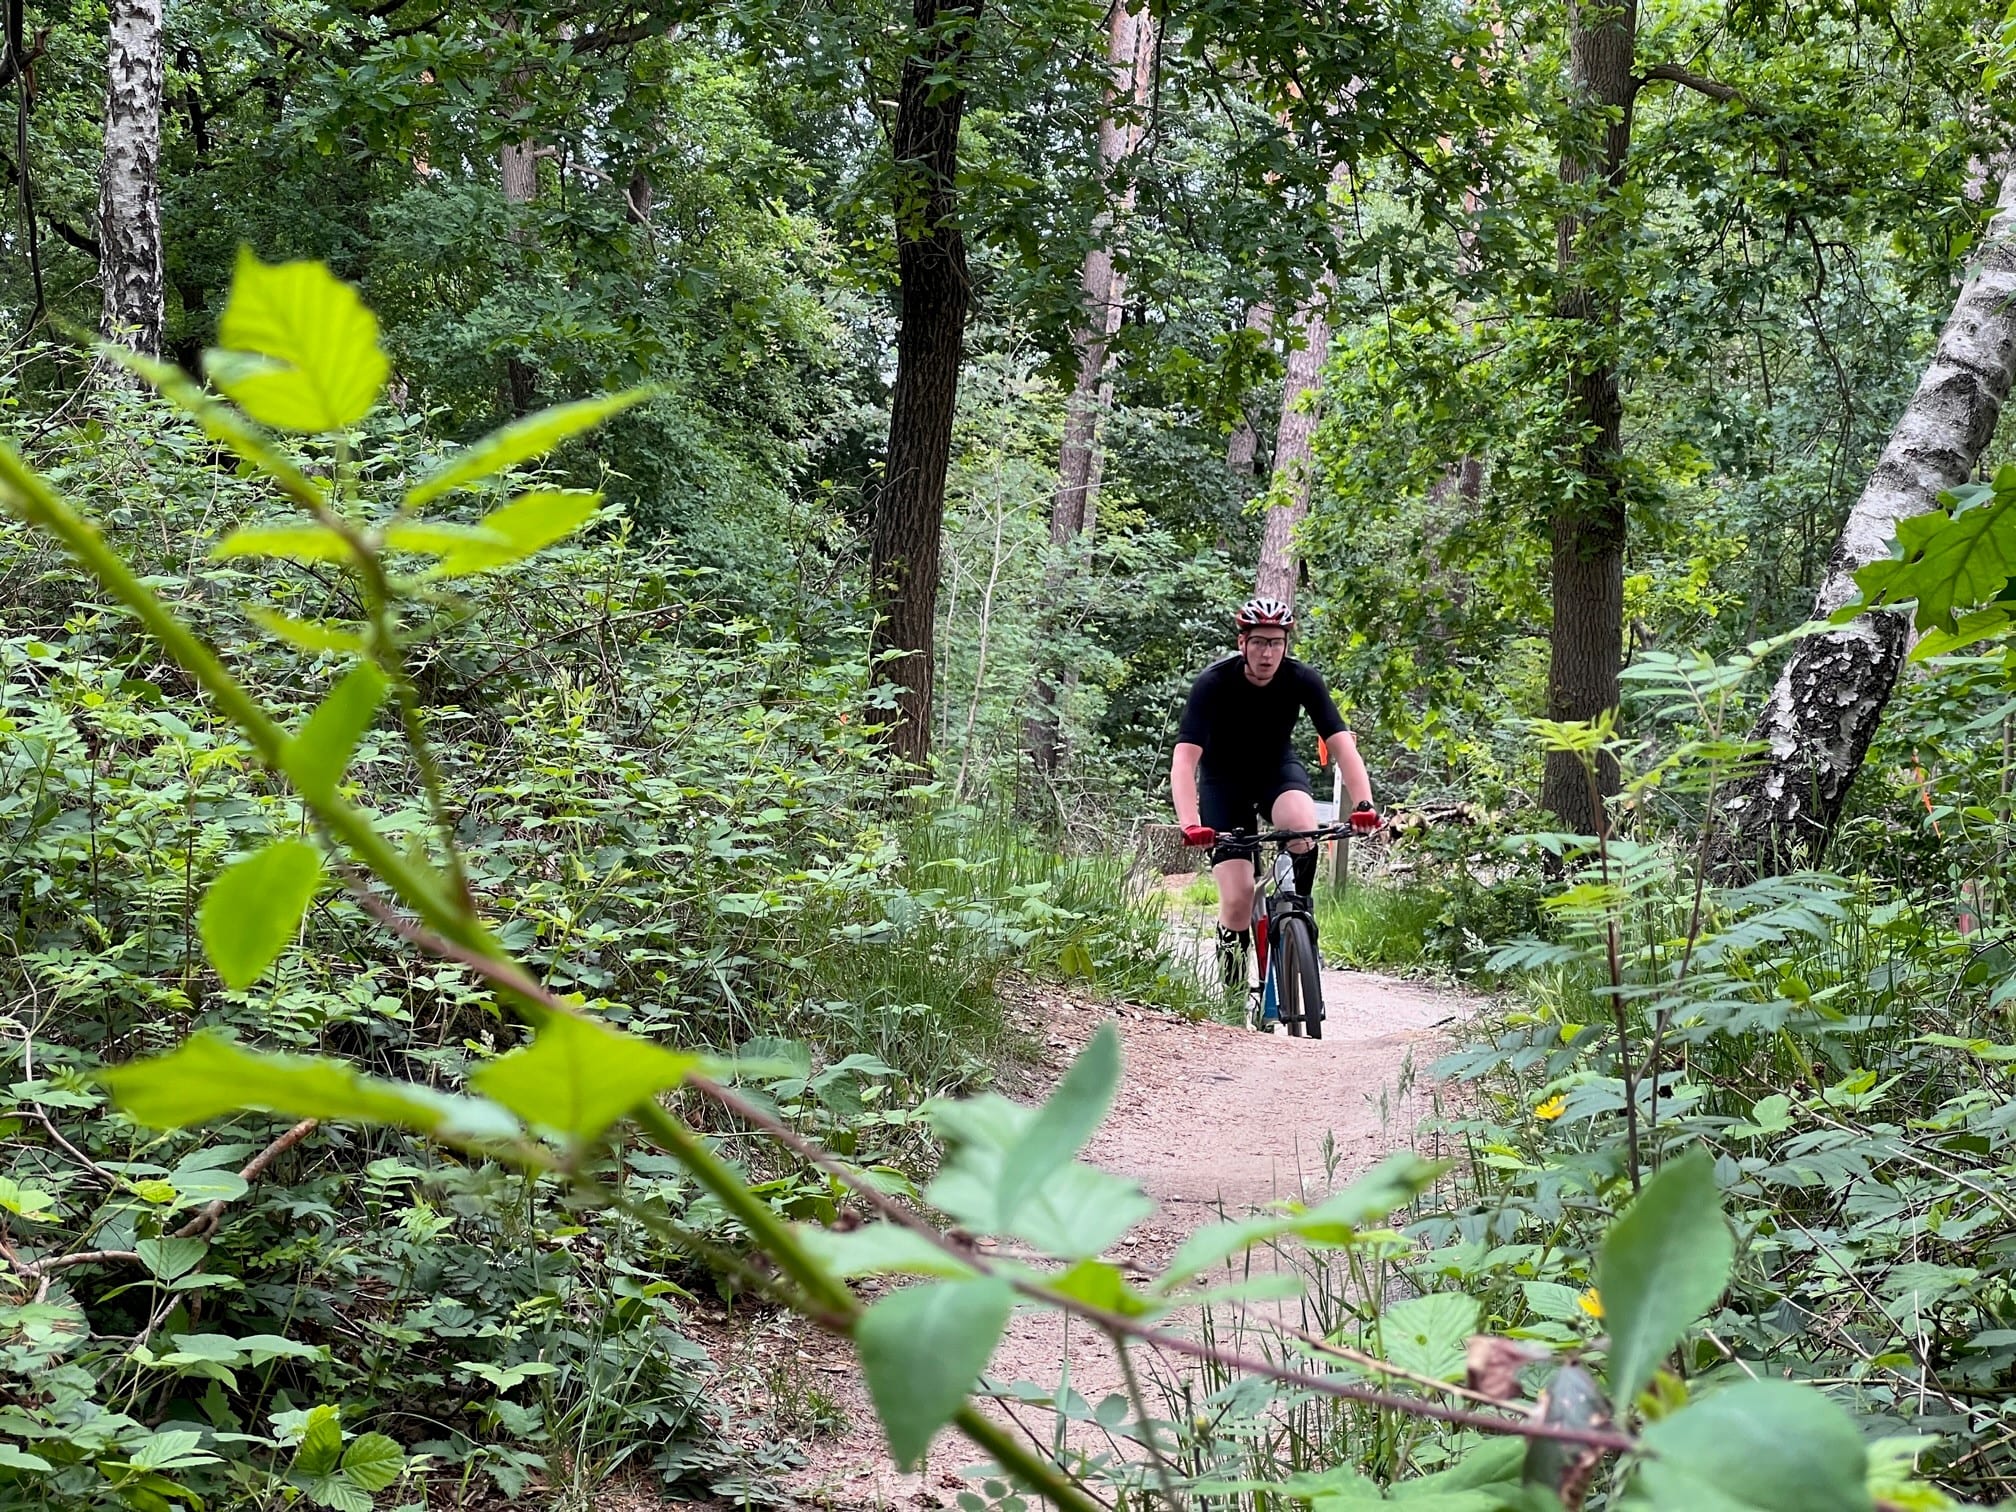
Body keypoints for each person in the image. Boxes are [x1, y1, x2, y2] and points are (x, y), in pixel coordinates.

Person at [1169, 596, 1379, 986]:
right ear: (1242, 644)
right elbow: (1184, 761)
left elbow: (1340, 743)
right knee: (1236, 900)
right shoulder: (1213, 683)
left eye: (1276, 643)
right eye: (1259, 642)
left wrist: (1365, 803)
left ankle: (1298, 913)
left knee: (1302, 825)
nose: (1268, 653)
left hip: (1276, 772)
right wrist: (1190, 822)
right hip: (1223, 783)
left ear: (1286, 644)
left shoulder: (1302, 679)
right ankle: (1232, 1000)